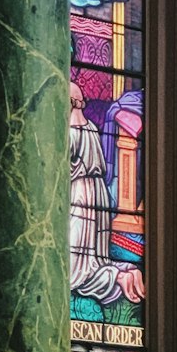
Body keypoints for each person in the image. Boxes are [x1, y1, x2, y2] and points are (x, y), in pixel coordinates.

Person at [70, 80, 145, 306]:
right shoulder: (91, 127)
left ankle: (113, 276)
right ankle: (118, 275)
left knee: (76, 257)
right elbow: (99, 164)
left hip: (78, 196)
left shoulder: (71, 132)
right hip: (96, 193)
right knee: (90, 252)